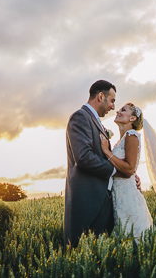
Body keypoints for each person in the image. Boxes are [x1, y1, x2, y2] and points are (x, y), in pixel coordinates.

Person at [64, 80, 118, 248]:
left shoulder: (94, 120)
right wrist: (116, 170)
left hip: (102, 201)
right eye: (112, 100)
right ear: (100, 96)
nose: (113, 107)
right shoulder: (80, 117)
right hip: (88, 204)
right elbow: (83, 157)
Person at [99, 103, 154, 239]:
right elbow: (129, 167)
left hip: (128, 197)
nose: (118, 111)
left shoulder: (132, 135)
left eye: (123, 110)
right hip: (119, 196)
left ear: (132, 119)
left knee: (134, 236)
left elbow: (129, 169)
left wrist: (106, 151)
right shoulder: (120, 141)